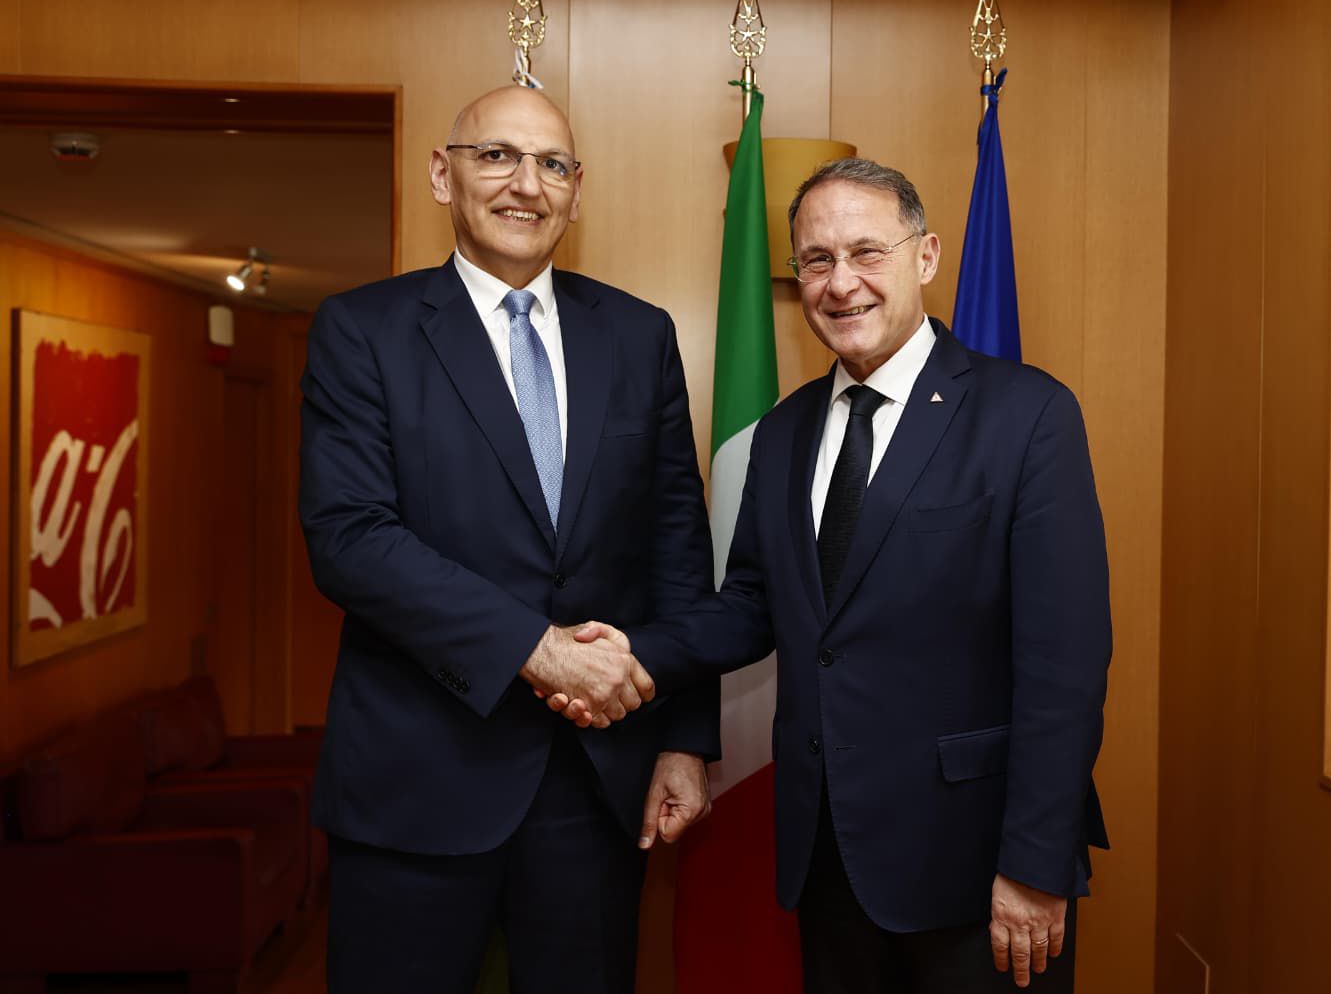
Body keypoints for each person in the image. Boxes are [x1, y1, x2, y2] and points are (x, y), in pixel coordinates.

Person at [555, 158, 1112, 993]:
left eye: (867, 252)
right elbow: (751, 606)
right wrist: (635, 652)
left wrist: (1035, 864)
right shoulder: (783, 435)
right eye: (817, 260)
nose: (841, 282)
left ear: (926, 256)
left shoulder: (1027, 416)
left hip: (978, 864)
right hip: (828, 858)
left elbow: (1065, 664)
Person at [298, 85, 718, 994]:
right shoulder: (363, 331)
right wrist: (538, 650)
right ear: (441, 175)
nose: (527, 184)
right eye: (496, 156)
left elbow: (677, 548)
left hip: (595, 786)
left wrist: (685, 740)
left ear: (577, 192)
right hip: (416, 784)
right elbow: (351, 539)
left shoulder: (639, 336)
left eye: (552, 164)